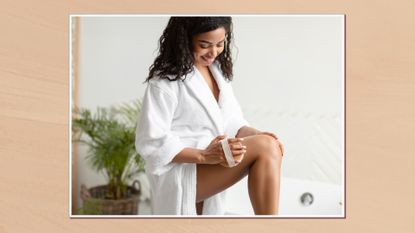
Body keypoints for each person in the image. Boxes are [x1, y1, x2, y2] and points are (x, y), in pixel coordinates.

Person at [135, 16, 284, 215]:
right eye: (204, 45)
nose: (213, 52)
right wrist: (204, 156)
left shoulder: (217, 72)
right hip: (179, 171)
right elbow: (151, 142)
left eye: (220, 44)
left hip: (212, 160)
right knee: (266, 147)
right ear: (185, 39)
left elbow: (231, 121)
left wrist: (257, 134)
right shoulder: (164, 83)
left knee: (268, 143)